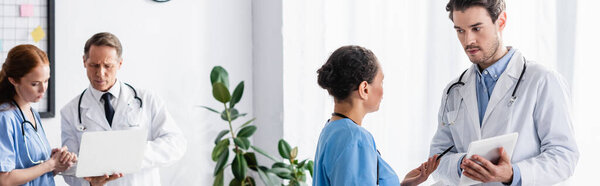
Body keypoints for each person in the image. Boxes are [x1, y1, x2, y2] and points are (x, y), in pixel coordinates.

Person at [429, 0, 579, 185]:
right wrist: (462, 164)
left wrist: (513, 174)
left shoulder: (542, 80)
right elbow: (438, 157)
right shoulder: (454, 90)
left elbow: (564, 156)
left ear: (501, 21)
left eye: (476, 28)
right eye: (460, 30)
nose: (468, 40)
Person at [60, 32, 187, 186]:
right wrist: (91, 183)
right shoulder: (70, 112)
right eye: (94, 65)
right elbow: (69, 170)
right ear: (84, 61)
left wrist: (133, 153)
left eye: (108, 66)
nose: (100, 73)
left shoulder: (147, 99)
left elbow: (176, 144)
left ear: (120, 64)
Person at [313, 45, 440, 186]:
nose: (383, 91)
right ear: (364, 89)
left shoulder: (331, 130)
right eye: (381, 82)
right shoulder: (355, 138)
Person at [0, 44, 77, 185]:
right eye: (35, 84)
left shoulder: (32, 114)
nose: (43, 89)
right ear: (13, 80)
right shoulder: (5, 118)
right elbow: (4, 179)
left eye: (46, 81)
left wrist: (57, 163)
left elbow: (36, 172)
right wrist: (49, 165)